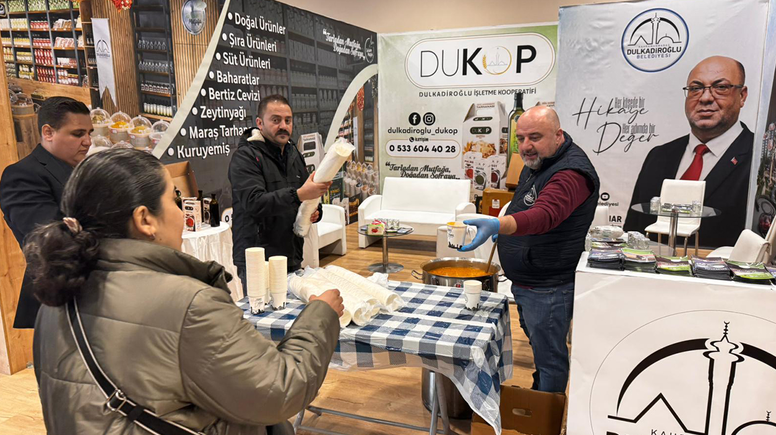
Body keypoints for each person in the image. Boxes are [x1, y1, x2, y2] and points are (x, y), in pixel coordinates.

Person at [26, 148, 345, 435]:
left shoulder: (55, 296)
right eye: (175, 200)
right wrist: (321, 316)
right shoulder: (187, 302)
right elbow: (279, 389)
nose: (182, 214)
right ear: (145, 219)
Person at [460, 106, 599, 393]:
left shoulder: (571, 172)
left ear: (558, 135)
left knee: (549, 358)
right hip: (529, 282)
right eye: (521, 139)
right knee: (541, 349)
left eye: (535, 137)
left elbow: (544, 215)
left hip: (548, 287)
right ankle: (541, 400)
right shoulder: (540, 161)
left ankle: (547, 414)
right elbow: (526, 203)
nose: (526, 146)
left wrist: (500, 226)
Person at [624, 56, 753, 248]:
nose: (706, 97)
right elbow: (633, 231)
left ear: (742, 96)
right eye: (696, 88)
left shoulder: (761, 159)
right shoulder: (658, 156)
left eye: (721, 87)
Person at [0, 96, 92, 328]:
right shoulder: (22, 175)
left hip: (90, 295)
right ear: (48, 132)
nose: (88, 141)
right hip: (57, 298)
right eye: (78, 134)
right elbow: (49, 236)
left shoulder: (84, 170)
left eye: (89, 133)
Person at [229, 94, 331, 292]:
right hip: (259, 259)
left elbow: (305, 193)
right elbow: (254, 202)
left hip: (290, 253)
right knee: (261, 317)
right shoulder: (245, 157)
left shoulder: (293, 153)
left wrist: (315, 210)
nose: (283, 125)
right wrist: (299, 195)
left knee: (292, 315)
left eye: (288, 120)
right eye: (275, 120)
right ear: (260, 123)